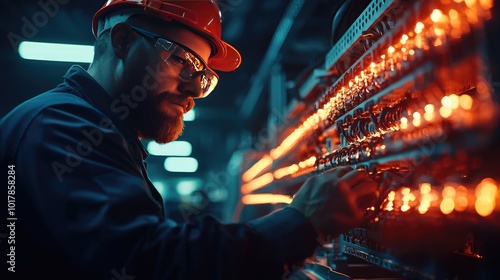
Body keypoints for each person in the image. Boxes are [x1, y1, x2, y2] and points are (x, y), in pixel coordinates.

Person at [0, 1, 378, 279]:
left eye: (204, 76)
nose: (195, 90)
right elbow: (147, 261)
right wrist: (300, 223)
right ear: (122, 40)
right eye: (182, 60)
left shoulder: (104, 134)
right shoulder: (61, 126)